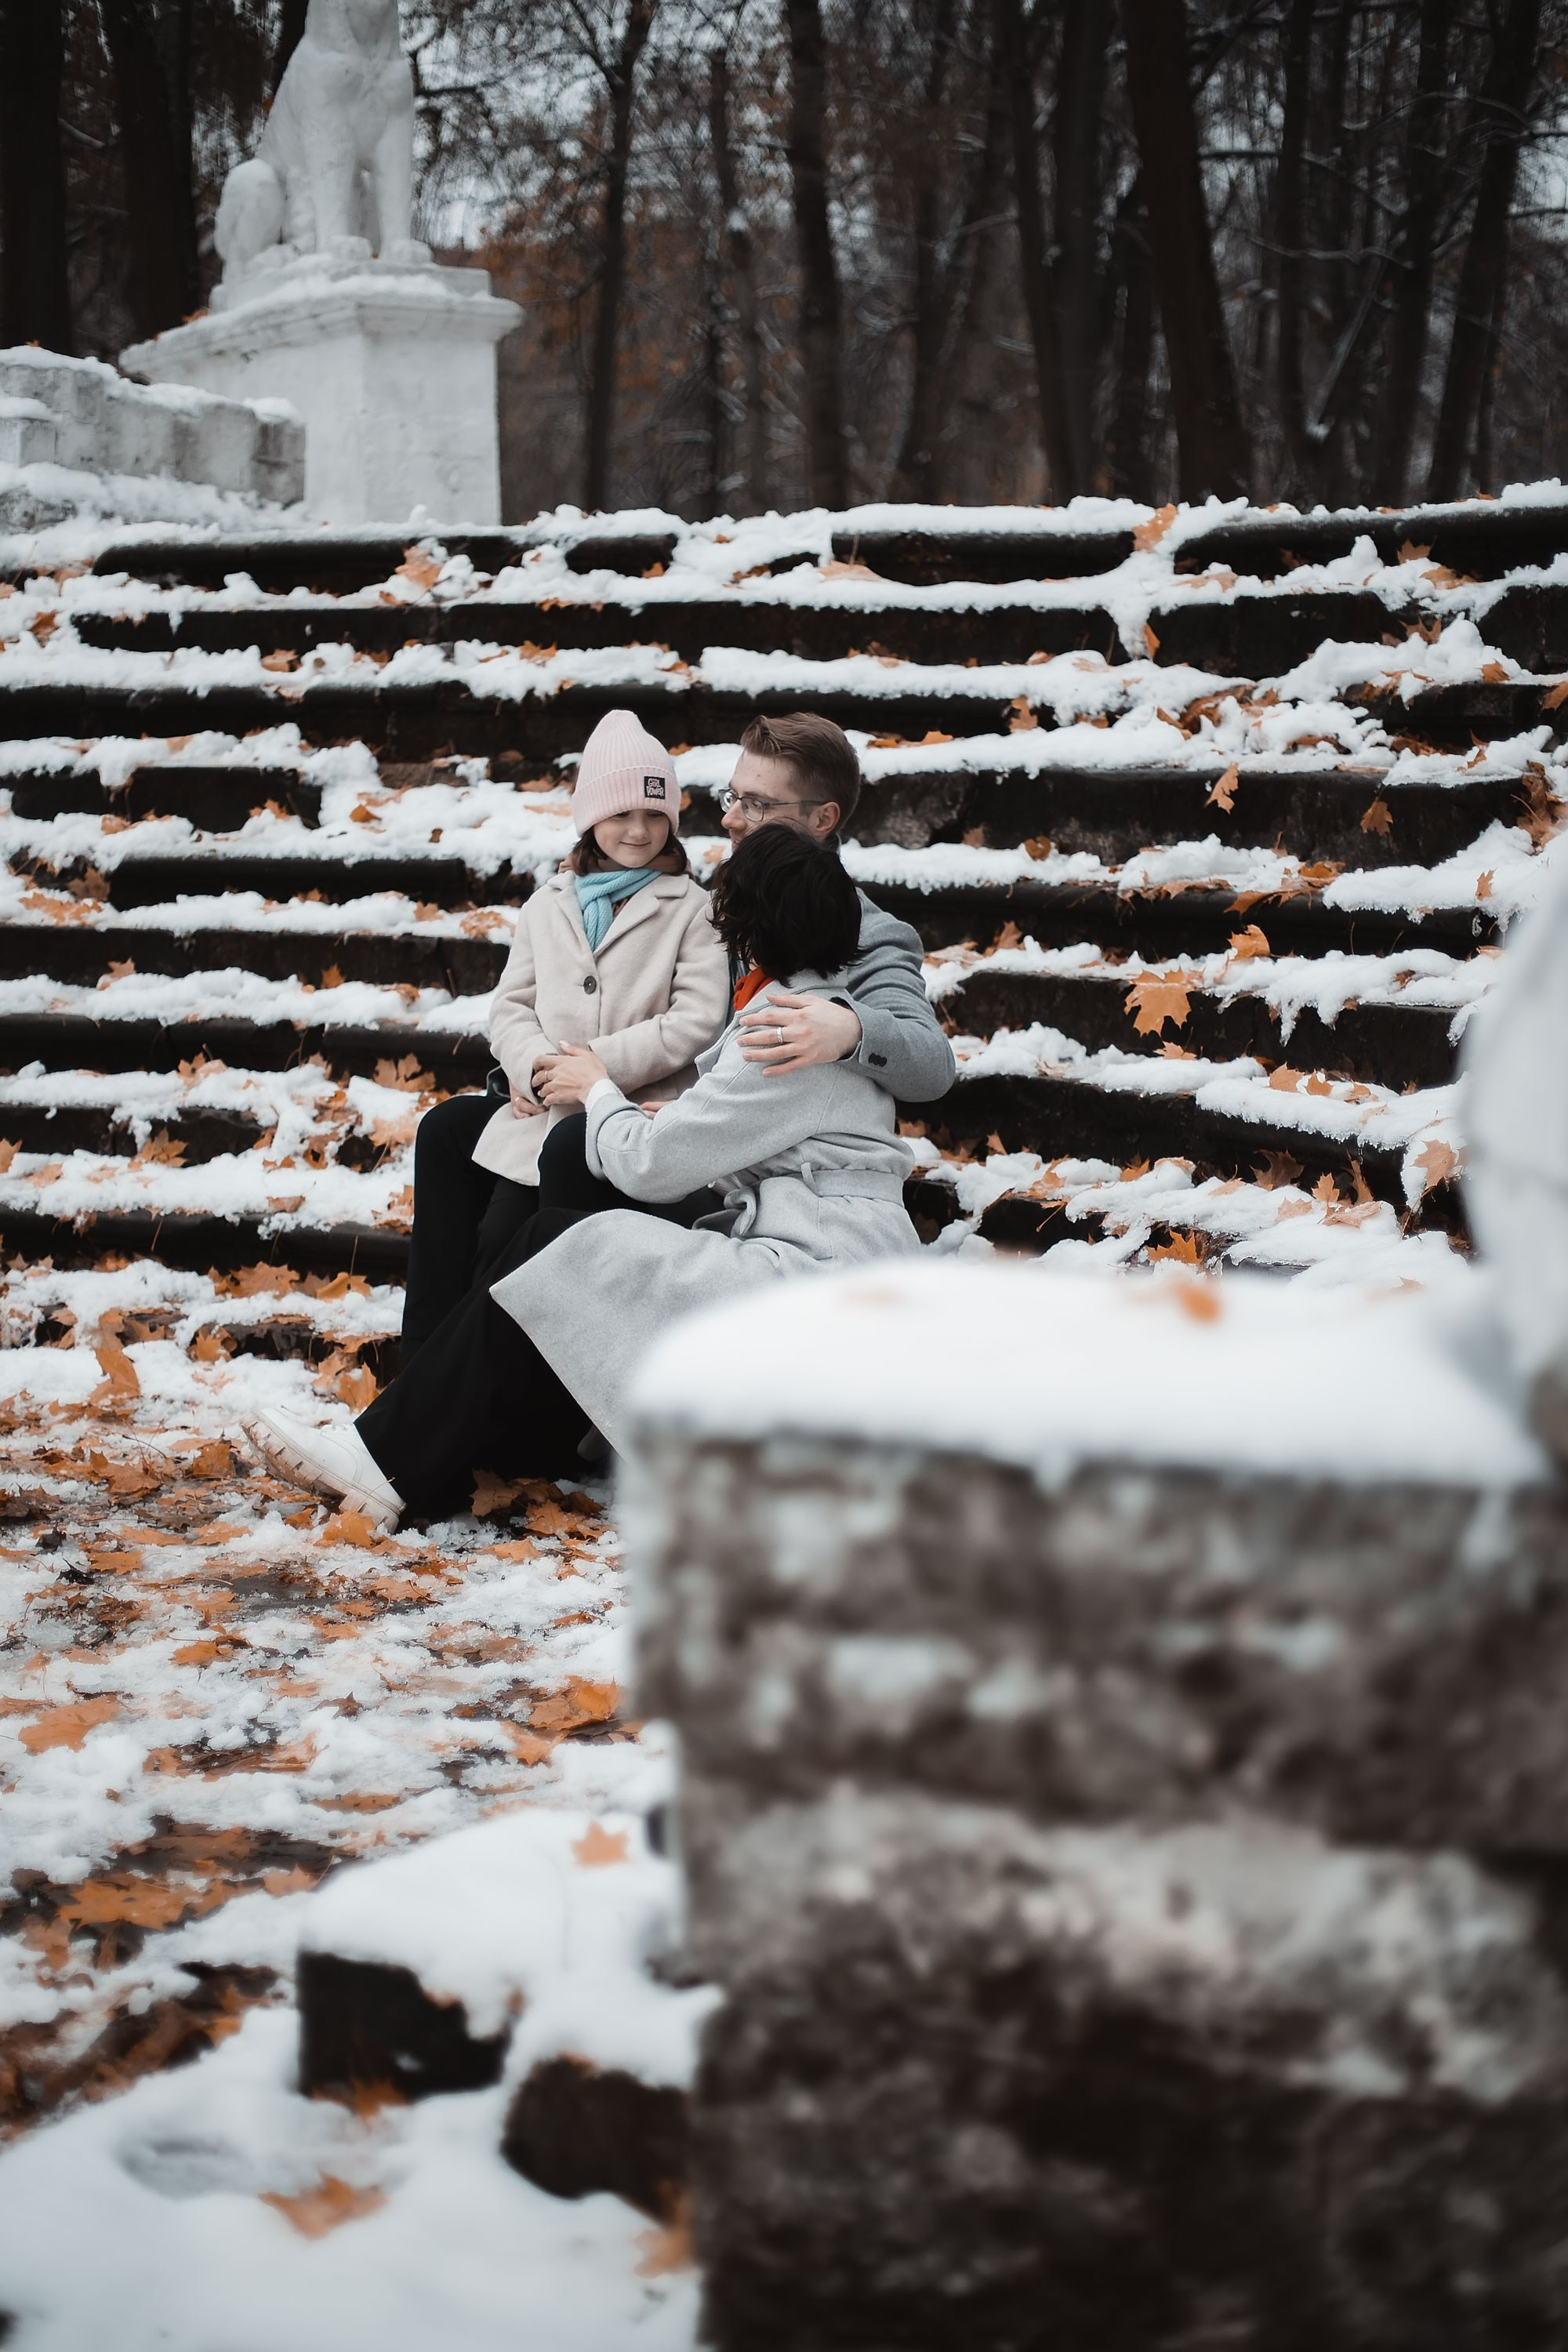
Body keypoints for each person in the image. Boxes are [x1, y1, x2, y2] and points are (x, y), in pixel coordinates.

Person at [244, 826, 920, 1527]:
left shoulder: (779, 1029)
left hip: (811, 1271)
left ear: (749, 926)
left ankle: (386, 1463)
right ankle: (412, 1448)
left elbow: (648, 1168)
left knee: (567, 1244)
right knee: (560, 1239)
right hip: (823, 1250)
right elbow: (771, 1122)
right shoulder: (815, 1011)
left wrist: (600, 1088)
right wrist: (681, 1113)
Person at [400, 707, 731, 1348]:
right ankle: (430, 1375)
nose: (639, 830)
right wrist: (532, 1068)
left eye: (655, 814)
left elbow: (695, 1019)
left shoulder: (693, 910)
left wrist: (590, 1070)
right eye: (621, 814)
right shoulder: (548, 904)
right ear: (589, 819)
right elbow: (511, 1006)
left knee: (520, 1240)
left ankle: (501, 1384)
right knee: (491, 1230)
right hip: (545, 1109)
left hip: (629, 1114)